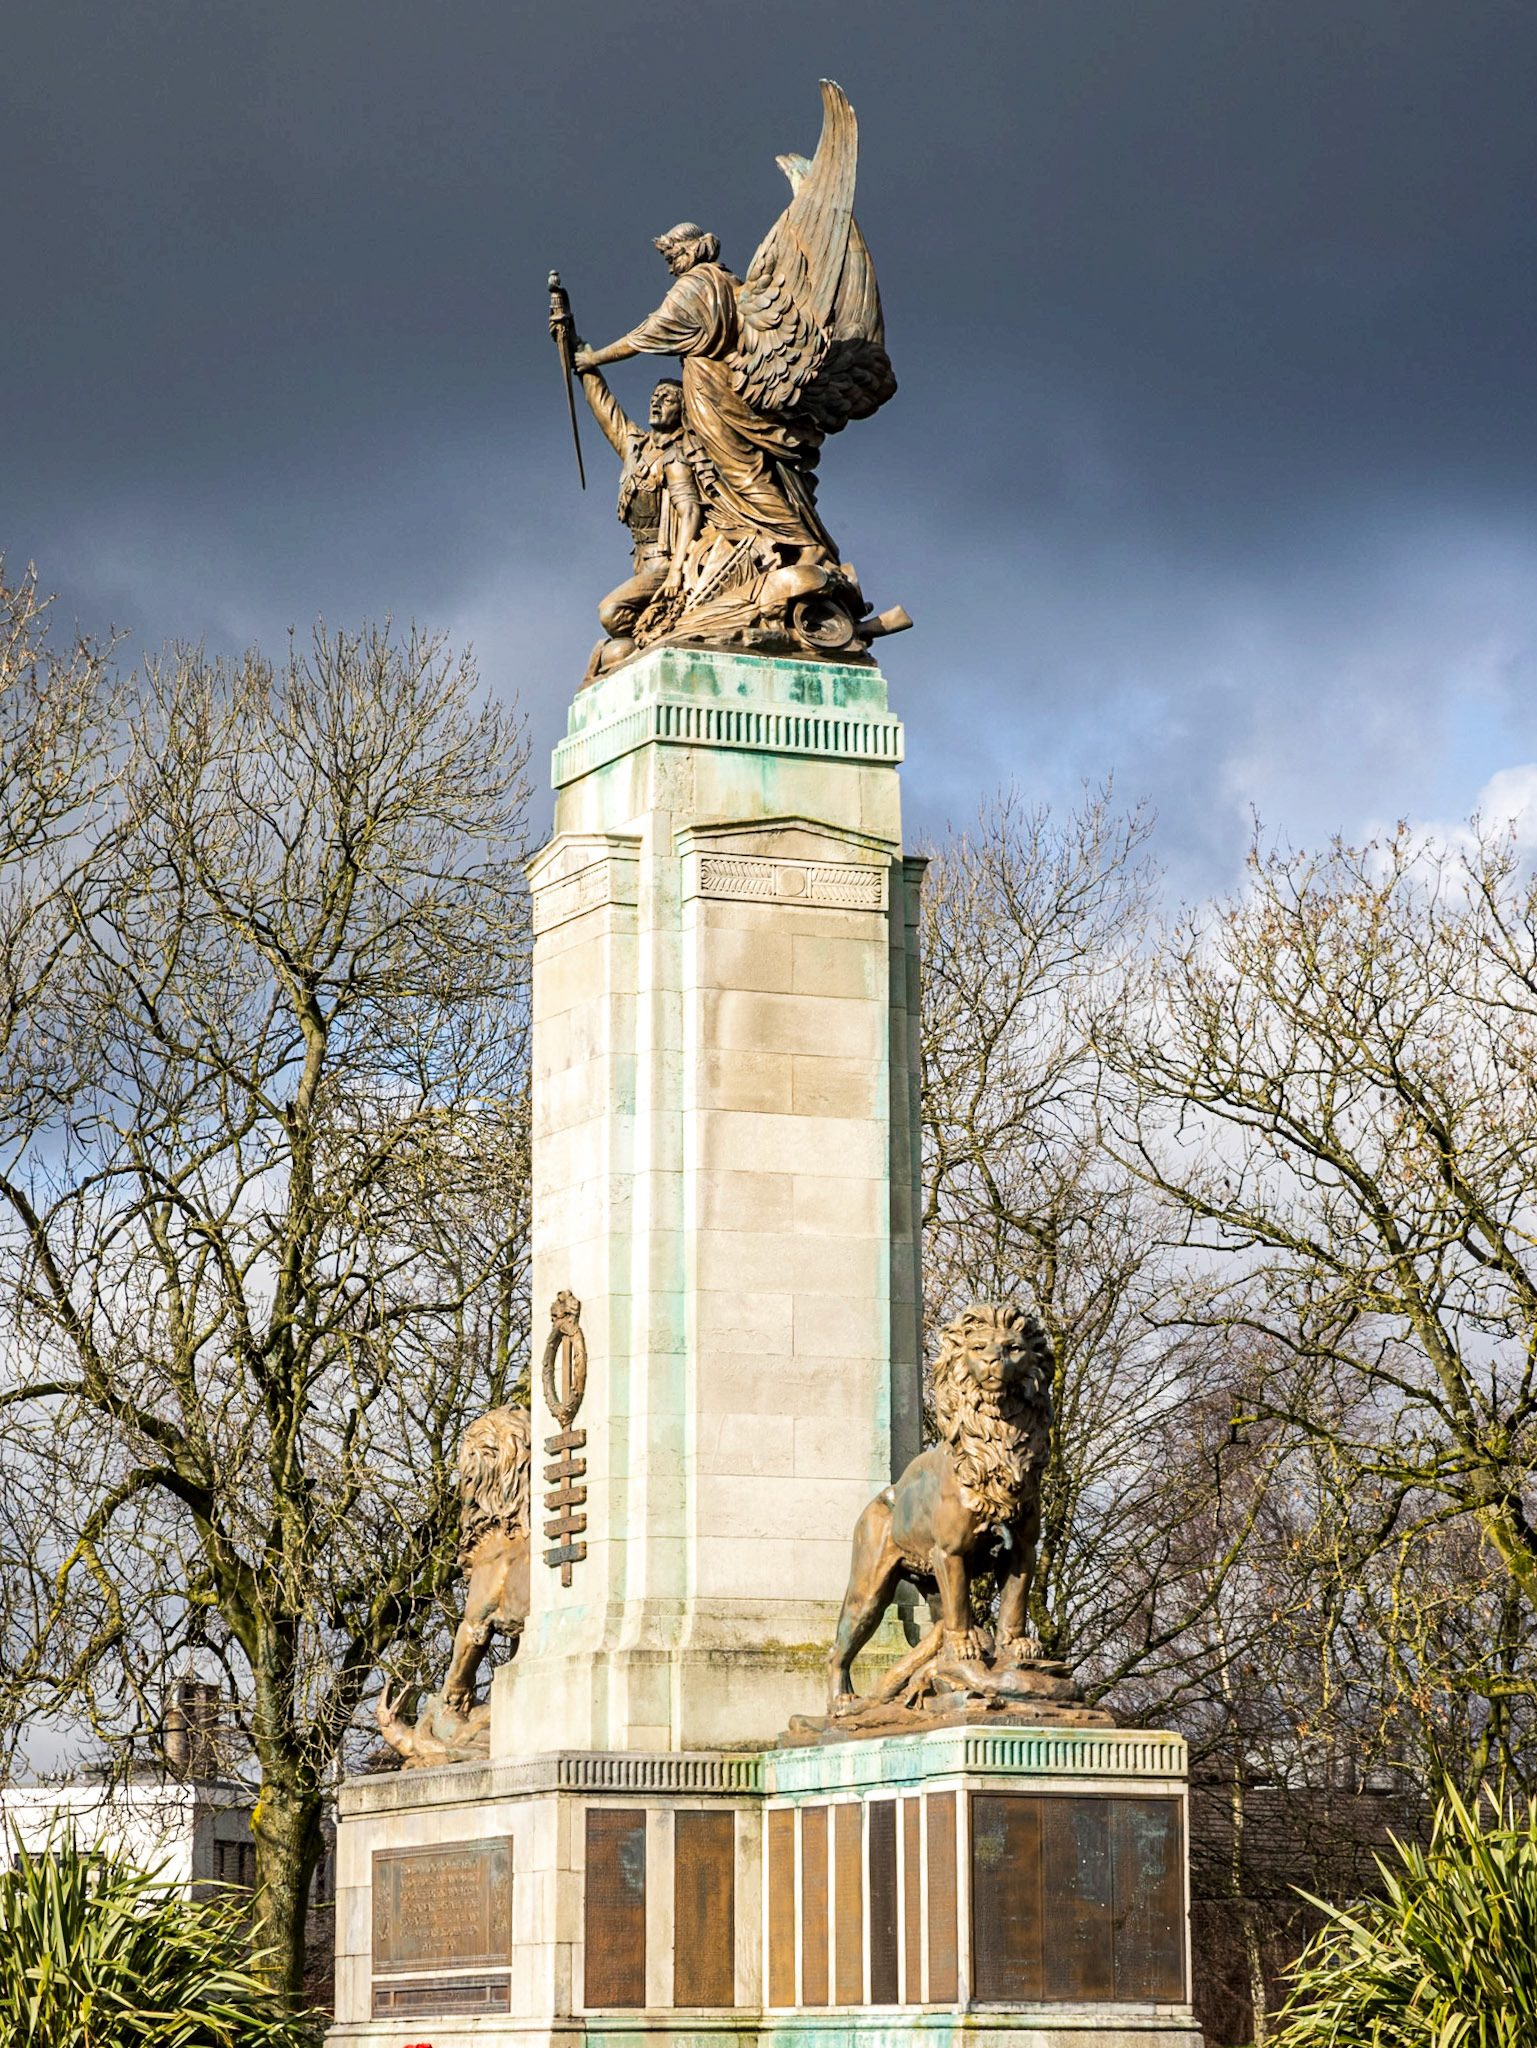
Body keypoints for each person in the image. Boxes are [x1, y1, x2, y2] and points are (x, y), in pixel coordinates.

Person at [572, 223, 836, 566]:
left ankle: (801, 541)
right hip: (732, 382)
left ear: (689, 250)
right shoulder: (731, 282)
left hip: (709, 386)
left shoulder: (693, 285)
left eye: (671, 256)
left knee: (738, 470)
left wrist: (595, 358)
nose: (669, 266)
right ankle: (771, 540)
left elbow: (646, 334)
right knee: (735, 470)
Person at [573, 361, 706, 675]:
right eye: (655, 396)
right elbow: (605, 407)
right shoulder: (637, 448)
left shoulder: (676, 456)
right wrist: (582, 361)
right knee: (618, 650)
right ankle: (648, 641)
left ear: (683, 412)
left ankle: (656, 634)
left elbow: (689, 510)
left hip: (664, 562)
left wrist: (676, 571)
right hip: (640, 563)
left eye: (668, 399)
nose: (657, 402)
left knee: (610, 612)